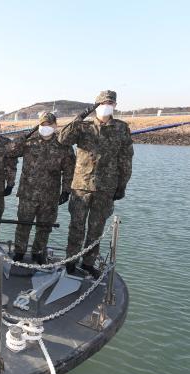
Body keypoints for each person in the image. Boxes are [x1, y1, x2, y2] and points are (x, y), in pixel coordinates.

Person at [59, 90, 133, 277]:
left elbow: (126, 158)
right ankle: (71, 261)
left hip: (105, 188)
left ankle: (88, 263)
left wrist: (121, 185)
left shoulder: (121, 128)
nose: (106, 105)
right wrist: (80, 116)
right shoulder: (83, 127)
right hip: (81, 186)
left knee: (96, 228)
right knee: (76, 226)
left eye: (110, 102)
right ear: (96, 106)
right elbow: (62, 138)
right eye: (102, 103)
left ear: (115, 105)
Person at [7, 112, 75, 264]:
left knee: (44, 227)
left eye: (49, 124)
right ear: (38, 125)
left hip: (50, 196)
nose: (46, 127)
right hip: (27, 194)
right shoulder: (28, 142)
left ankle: (38, 253)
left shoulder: (63, 145)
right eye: (43, 124)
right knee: (23, 225)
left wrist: (66, 190)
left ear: (55, 125)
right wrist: (22, 137)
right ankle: (19, 252)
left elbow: (69, 170)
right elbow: (10, 152)